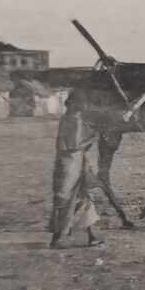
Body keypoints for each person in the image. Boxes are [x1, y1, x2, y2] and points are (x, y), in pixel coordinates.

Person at [49, 90, 103, 249]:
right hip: (73, 164)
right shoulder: (75, 120)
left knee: (75, 200)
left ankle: (90, 237)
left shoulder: (65, 118)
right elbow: (75, 145)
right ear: (76, 104)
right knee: (72, 200)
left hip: (65, 163)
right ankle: (59, 238)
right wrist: (94, 137)